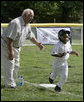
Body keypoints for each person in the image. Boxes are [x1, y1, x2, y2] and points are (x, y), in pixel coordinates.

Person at [1, 8, 44, 88]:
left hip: (17, 47)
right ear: (24, 15)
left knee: (16, 65)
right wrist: (11, 52)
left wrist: (38, 44)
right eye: (30, 16)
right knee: (9, 65)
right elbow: (9, 39)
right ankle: (10, 84)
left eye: (32, 17)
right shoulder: (16, 23)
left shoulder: (27, 24)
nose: (31, 18)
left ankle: (12, 81)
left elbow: (31, 36)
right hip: (7, 45)